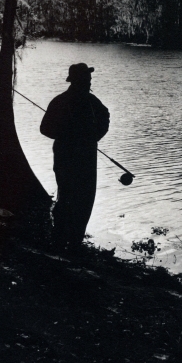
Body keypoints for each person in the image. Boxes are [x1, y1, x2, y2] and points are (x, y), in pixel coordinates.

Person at [40, 63, 110, 251]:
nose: (89, 81)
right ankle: (63, 238)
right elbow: (45, 129)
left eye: (89, 78)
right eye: (86, 78)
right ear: (78, 80)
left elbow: (105, 117)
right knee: (71, 195)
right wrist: (74, 136)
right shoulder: (70, 101)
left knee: (82, 197)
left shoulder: (87, 101)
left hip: (80, 154)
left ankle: (72, 240)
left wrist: (94, 137)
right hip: (73, 156)